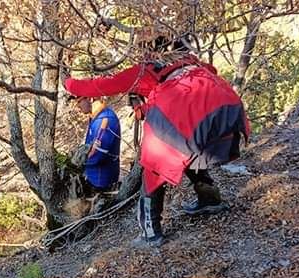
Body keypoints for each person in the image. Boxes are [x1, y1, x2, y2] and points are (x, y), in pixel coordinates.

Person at [64, 38, 250, 247]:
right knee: (185, 149)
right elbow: (207, 73)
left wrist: (68, 83)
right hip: (230, 114)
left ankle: (150, 233)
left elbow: (100, 86)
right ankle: (210, 198)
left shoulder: (144, 70)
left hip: (193, 119)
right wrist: (145, 108)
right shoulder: (188, 60)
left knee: (154, 167)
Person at [71, 96, 121, 194]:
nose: (77, 106)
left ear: (90, 98)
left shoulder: (105, 119)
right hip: (93, 176)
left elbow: (97, 155)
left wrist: (78, 163)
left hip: (102, 181)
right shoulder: (95, 116)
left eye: (79, 101)